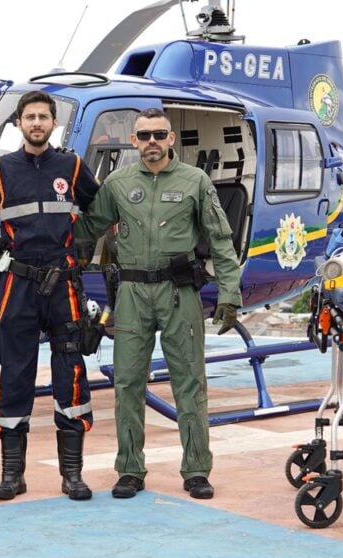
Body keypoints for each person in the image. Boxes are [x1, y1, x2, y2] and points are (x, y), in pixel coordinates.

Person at [74, 108, 241, 500]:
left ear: (171, 139)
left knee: (190, 381)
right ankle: (130, 469)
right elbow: (87, 228)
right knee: (127, 383)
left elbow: (220, 239)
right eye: (144, 135)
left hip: (179, 292)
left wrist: (230, 294)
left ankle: (196, 469)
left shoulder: (195, 181)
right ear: (133, 140)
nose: (152, 142)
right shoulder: (117, 183)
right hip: (131, 293)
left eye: (159, 135)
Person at [0, 91, 100, 501]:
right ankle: (12, 475)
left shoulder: (72, 166)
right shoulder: (1, 169)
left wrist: (80, 248)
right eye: (30, 117)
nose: (37, 123)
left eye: (43, 116)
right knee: (14, 373)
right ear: (18, 123)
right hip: (19, 284)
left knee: (70, 372)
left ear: (54, 123)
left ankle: (72, 475)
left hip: (64, 285)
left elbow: (99, 210)